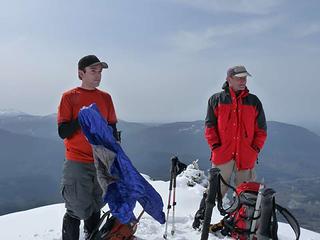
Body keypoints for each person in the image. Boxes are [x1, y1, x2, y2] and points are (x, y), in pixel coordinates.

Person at [57, 55, 119, 240]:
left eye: (100, 72)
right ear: (81, 73)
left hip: (101, 160)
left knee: (95, 205)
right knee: (76, 209)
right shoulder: (69, 97)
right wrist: (83, 118)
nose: (98, 76)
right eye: (93, 71)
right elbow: (63, 131)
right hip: (77, 161)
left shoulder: (106, 98)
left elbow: (113, 129)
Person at [204, 65, 267, 197]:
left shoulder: (254, 101)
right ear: (229, 79)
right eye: (239, 78)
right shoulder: (216, 100)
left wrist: (254, 149)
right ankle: (207, 217)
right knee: (214, 193)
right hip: (222, 155)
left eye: (244, 78)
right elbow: (210, 126)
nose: (243, 81)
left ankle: (241, 218)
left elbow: (261, 130)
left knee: (246, 195)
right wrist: (215, 147)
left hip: (246, 156)